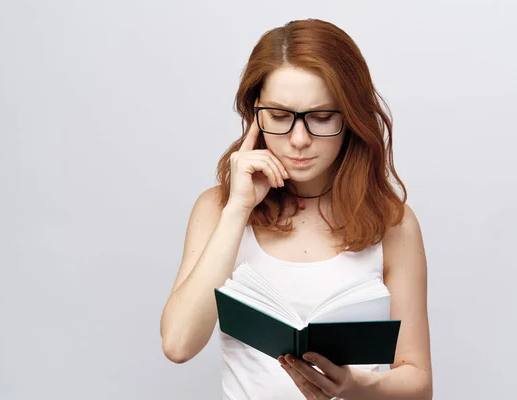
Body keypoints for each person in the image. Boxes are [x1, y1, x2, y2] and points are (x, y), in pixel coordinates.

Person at [160, 18, 432, 400]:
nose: (299, 140)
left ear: (351, 118)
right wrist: (238, 209)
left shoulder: (392, 223)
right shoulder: (217, 208)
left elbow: (418, 382)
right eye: (281, 117)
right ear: (256, 114)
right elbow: (178, 344)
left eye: (321, 118)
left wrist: (357, 386)